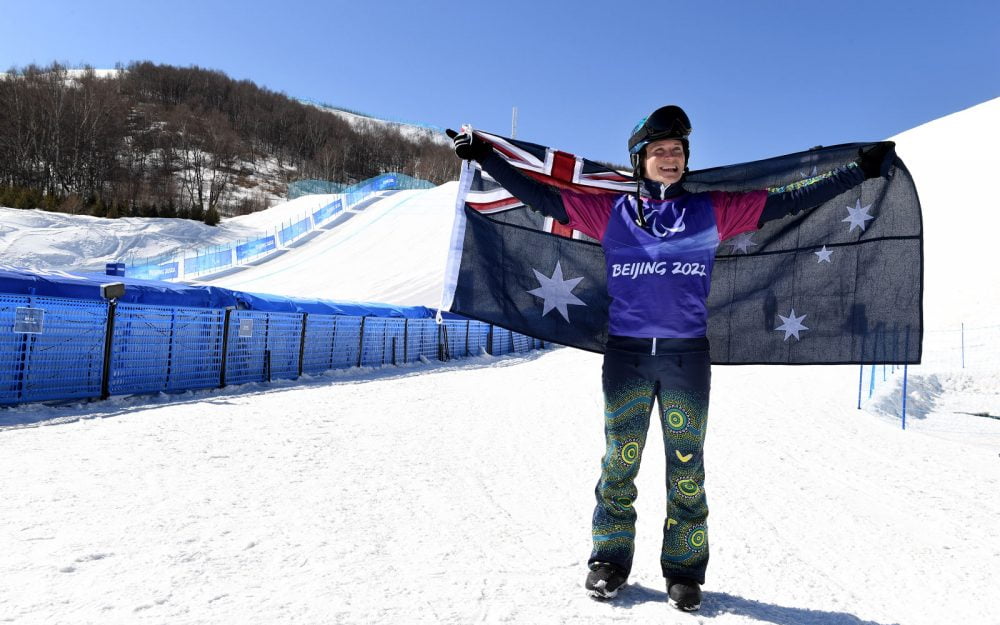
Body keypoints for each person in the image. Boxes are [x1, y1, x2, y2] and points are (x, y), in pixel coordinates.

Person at [447, 106, 892, 612]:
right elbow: (543, 197)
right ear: (639, 160)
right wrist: (485, 156)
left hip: (686, 359)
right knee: (620, 462)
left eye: (677, 151)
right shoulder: (610, 215)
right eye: (659, 151)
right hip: (627, 358)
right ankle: (609, 562)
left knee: (687, 468)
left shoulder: (713, 211)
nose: (670, 158)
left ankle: (683, 571)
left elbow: (789, 199)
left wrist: (858, 170)